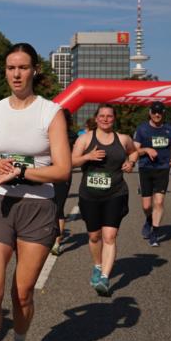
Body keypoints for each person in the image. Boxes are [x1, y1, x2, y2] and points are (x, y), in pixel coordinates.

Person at [0, 43, 71, 341]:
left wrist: (23, 173)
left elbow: (62, 169)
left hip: (37, 208)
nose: (16, 74)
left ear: (34, 71)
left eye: (23, 67)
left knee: (22, 293)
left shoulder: (50, 112)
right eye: (11, 68)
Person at [71, 104, 138, 296]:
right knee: (94, 236)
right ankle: (98, 266)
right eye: (102, 116)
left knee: (109, 236)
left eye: (109, 116)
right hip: (90, 195)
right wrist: (88, 156)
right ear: (96, 118)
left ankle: (105, 278)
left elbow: (133, 152)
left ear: (114, 119)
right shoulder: (85, 138)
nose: (106, 119)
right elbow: (71, 161)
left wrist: (130, 162)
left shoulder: (123, 139)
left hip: (115, 193)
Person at [133, 102, 171, 247]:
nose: (157, 115)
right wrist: (146, 150)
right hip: (146, 168)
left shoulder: (170, 129)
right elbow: (133, 151)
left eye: (160, 112)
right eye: (154, 112)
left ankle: (155, 233)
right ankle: (148, 219)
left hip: (163, 169)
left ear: (163, 113)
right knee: (147, 206)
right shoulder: (142, 129)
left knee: (158, 202)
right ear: (150, 112)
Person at [50, 108, 76, 256]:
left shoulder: (71, 136)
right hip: (46, 173)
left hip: (62, 175)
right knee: (47, 206)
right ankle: (48, 238)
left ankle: (56, 243)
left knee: (58, 208)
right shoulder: (48, 134)